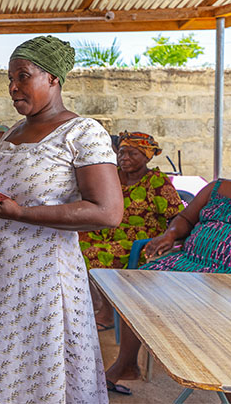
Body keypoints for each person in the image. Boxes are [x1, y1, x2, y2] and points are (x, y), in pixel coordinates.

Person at [0, 35, 123, 403]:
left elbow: (107, 212)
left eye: (23, 76)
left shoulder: (82, 132)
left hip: (43, 276)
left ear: (53, 79)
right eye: (10, 79)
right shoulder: (15, 131)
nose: (13, 87)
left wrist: (21, 213)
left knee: (38, 358)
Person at [104, 123, 231, 400]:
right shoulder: (218, 187)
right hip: (190, 266)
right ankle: (126, 363)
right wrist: (170, 235)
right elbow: (185, 218)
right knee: (138, 288)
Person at [79, 131, 184, 330]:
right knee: (71, 244)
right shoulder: (113, 178)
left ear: (146, 156)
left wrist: (167, 240)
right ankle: (90, 304)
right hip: (107, 231)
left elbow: (177, 216)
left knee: (95, 255)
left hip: (140, 240)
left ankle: (108, 313)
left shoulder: (157, 181)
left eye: (132, 154)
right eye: (122, 153)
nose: (124, 158)